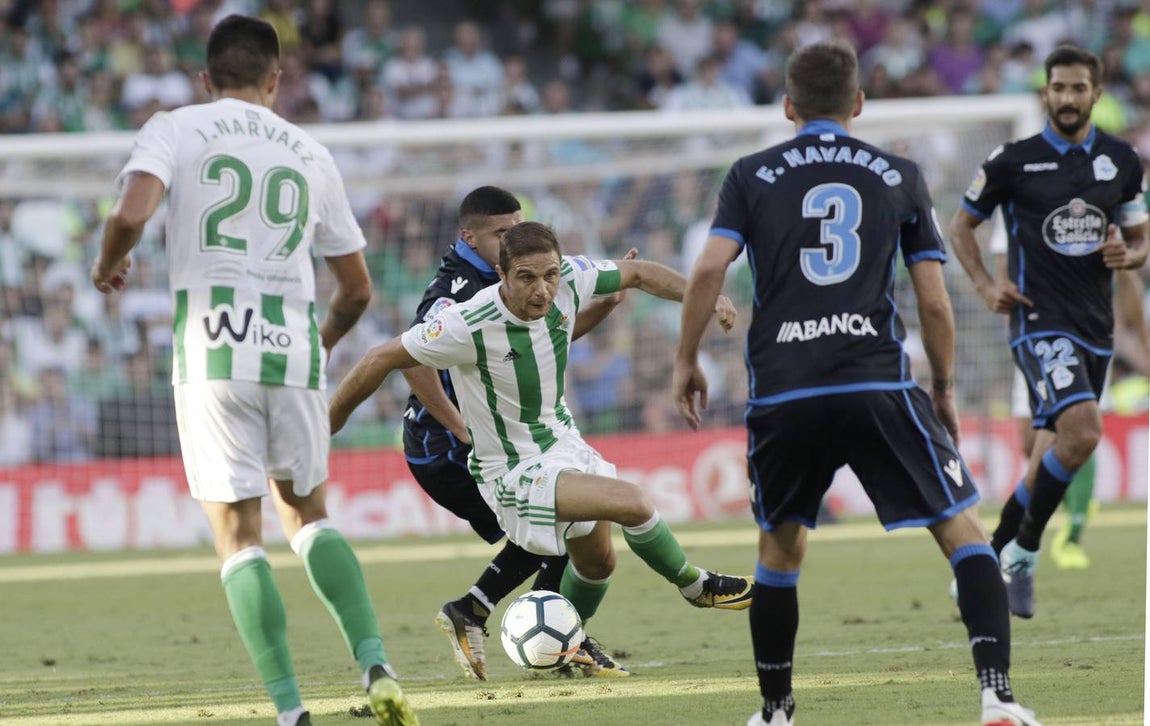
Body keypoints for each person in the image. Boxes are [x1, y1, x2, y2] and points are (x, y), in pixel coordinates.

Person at [672, 40, 1039, 726]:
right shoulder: (898, 173)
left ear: (788, 106)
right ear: (859, 104)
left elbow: (705, 271)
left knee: (780, 550)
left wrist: (685, 359)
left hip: (785, 389)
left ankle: (776, 713)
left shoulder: (750, 173)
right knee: (963, 531)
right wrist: (946, 388)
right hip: (876, 382)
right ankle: (998, 699)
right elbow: (933, 301)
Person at [89, 15, 418, 726]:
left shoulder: (174, 126)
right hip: (292, 349)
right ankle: (374, 663)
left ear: (205, 80)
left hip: (211, 350)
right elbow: (356, 288)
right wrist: (320, 342)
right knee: (308, 517)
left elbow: (132, 211)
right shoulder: (311, 151)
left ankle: (292, 711)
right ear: (276, 81)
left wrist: (108, 262)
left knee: (240, 537)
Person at [330, 221, 754, 675]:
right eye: (527, 278)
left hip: (564, 444)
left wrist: (702, 296)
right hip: (511, 469)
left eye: (549, 275)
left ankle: (565, 644)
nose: (542, 288)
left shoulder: (570, 277)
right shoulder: (466, 323)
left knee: (598, 562)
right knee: (632, 502)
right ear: (502, 274)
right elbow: (380, 358)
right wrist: (328, 424)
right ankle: (697, 586)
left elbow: (639, 273)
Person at [400, 186, 633, 680]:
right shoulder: (457, 293)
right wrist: (457, 426)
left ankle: (541, 631)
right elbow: (409, 362)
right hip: (445, 448)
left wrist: (606, 305)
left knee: (564, 520)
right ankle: (521, 626)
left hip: (489, 439)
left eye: (516, 228)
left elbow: (544, 342)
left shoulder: (513, 279)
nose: (512, 239)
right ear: (469, 237)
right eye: (500, 233)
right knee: (558, 517)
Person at [950, 45, 1148, 617]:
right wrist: (988, 287)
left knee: (1048, 454)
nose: (1066, 97)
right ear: (1045, 92)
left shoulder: (1121, 161)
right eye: (1057, 88)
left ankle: (992, 557)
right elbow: (962, 227)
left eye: (1077, 88)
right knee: (1084, 431)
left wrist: (1129, 256)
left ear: (1096, 94)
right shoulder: (1013, 160)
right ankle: (1021, 553)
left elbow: (1139, 236)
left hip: (1095, 326)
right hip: (1038, 321)